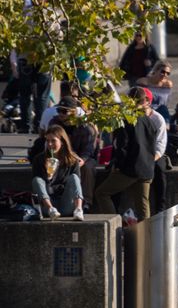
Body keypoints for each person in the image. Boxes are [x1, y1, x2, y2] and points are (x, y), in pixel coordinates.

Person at [95, 89, 158, 220]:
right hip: (147, 169)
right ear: (144, 101)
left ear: (129, 100)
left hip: (130, 169)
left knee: (102, 193)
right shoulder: (149, 121)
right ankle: (147, 237)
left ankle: (113, 224)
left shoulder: (125, 119)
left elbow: (121, 146)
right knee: (143, 206)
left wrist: (118, 166)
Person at [31, 125, 85, 220]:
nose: (50, 144)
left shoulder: (72, 160)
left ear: (62, 142)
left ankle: (79, 210)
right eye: (47, 141)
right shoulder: (39, 159)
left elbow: (76, 184)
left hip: (66, 203)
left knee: (74, 177)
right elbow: (37, 186)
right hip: (47, 206)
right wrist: (48, 176)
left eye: (53, 141)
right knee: (37, 180)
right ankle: (51, 209)